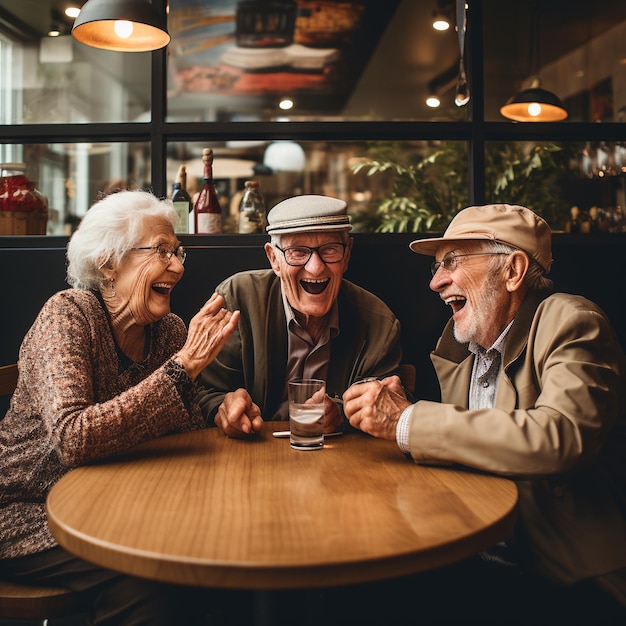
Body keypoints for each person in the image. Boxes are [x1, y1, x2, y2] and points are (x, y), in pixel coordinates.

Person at [342, 203, 626, 622]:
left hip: (565, 577)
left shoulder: (573, 320)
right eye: (437, 266)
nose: (437, 282)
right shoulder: (464, 345)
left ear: (512, 271)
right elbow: (469, 445)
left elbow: (562, 437)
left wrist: (407, 420)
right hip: (477, 555)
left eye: (452, 262)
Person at [0, 190, 240, 625]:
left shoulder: (169, 331)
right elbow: (74, 438)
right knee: (149, 580)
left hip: (118, 508)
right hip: (29, 512)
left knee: (212, 560)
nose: (180, 266)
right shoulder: (68, 315)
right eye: (162, 251)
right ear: (109, 263)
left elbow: (178, 438)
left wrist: (222, 408)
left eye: (178, 251)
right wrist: (182, 369)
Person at [197, 194, 402, 437]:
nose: (315, 267)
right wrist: (224, 408)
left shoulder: (379, 324)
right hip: (251, 458)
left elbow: (386, 403)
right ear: (274, 259)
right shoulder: (236, 299)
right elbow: (204, 392)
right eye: (297, 251)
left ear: (346, 256)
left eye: (330, 250)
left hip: (339, 463)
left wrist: (339, 413)